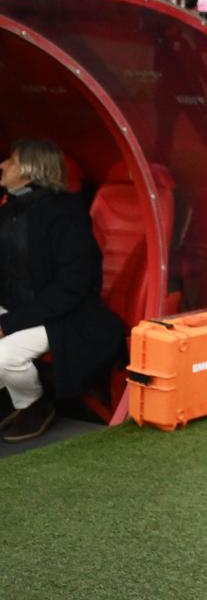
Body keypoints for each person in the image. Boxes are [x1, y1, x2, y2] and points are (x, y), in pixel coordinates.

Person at [0, 140, 125, 443]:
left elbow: (70, 289)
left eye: (11, 161)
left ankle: (34, 404)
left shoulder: (66, 217)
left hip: (66, 316)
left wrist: (8, 324)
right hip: (21, 307)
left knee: (4, 356)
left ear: (30, 170)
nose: (2, 165)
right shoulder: (9, 210)